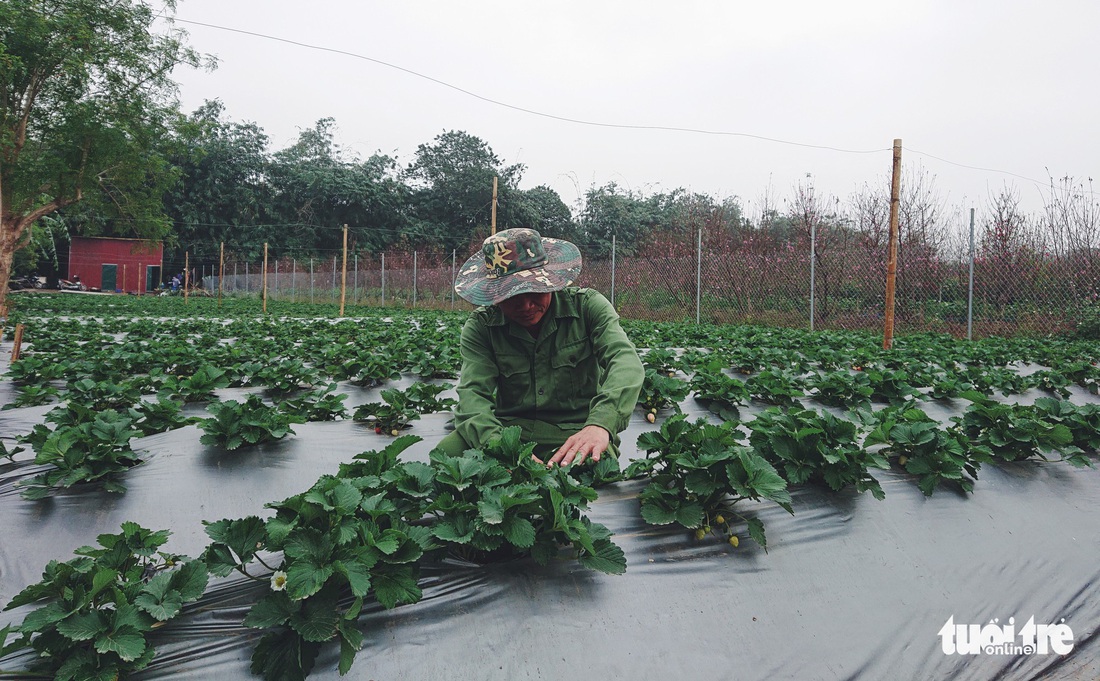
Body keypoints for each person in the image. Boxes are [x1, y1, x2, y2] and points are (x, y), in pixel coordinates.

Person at [436, 228, 644, 468]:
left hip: (576, 428)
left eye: (534, 290)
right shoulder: (482, 327)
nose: (525, 305)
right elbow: (472, 397)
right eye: (511, 296)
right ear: (495, 295)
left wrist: (600, 424)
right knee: (446, 458)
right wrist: (502, 446)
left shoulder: (588, 307)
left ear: (551, 282)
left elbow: (625, 361)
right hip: (510, 429)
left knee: (589, 464)